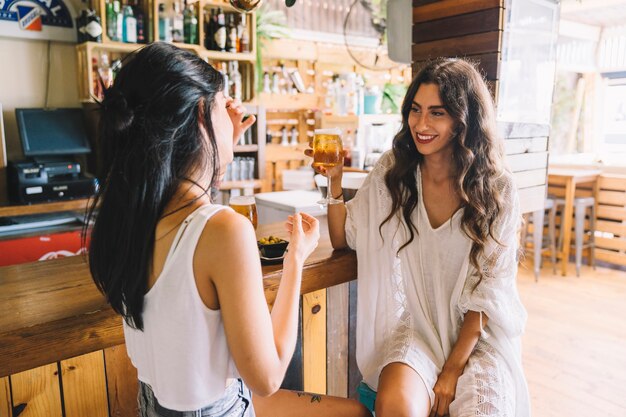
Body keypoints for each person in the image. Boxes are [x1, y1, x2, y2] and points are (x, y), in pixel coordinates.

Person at [87, 42, 370, 417]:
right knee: (360, 413)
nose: (233, 113)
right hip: (221, 410)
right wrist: (295, 259)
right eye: (224, 104)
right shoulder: (223, 230)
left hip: (154, 406)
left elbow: (192, 198)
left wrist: (221, 143)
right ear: (201, 115)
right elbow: (267, 377)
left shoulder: (130, 217)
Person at [309, 58, 530, 417]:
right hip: (418, 328)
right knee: (395, 405)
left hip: (478, 341)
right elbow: (344, 237)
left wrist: (453, 369)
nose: (421, 124)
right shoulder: (394, 171)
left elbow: (490, 289)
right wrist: (334, 182)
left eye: (437, 113)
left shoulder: (499, 188)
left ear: (463, 119)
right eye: (415, 110)